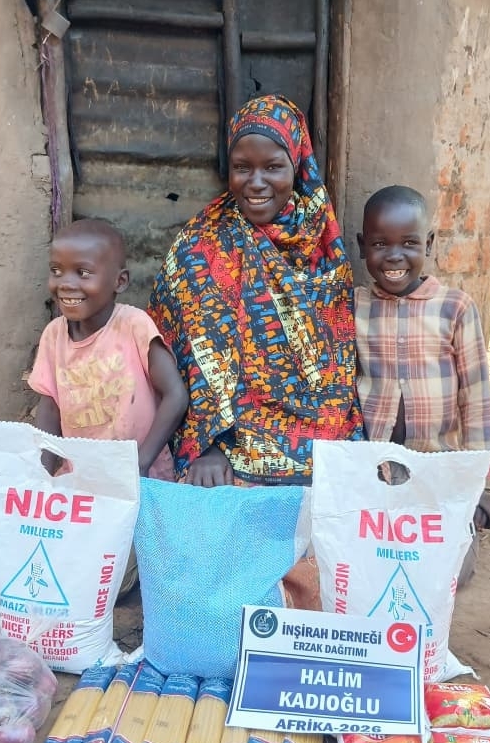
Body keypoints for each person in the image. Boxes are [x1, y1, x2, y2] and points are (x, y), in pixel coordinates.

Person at [148, 94, 364, 605]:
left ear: (298, 165)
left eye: (273, 167)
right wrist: (209, 444)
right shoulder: (201, 244)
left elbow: (335, 357)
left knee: (337, 512)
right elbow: (185, 352)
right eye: (242, 167)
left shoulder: (322, 240)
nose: (256, 182)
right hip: (230, 434)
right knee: (215, 515)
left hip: (316, 426)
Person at [28, 218, 189, 594]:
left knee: (110, 580)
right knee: (58, 567)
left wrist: (140, 461)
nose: (66, 283)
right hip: (81, 483)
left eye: (83, 273)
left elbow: (176, 395)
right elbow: (50, 410)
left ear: (120, 281)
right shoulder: (54, 336)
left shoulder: (133, 326)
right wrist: (41, 479)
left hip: (140, 483)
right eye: (57, 271)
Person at [354, 185, 490, 582]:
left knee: (448, 573)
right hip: (373, 470)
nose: (394, 256)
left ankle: (462, 525)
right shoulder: (354, 307)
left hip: (439, 469)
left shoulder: (455, 308)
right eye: (380, 244)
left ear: (429, 244)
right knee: (365, 564)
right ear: (363, 246)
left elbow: (477, 400)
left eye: (409, 243)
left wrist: (477, 485)